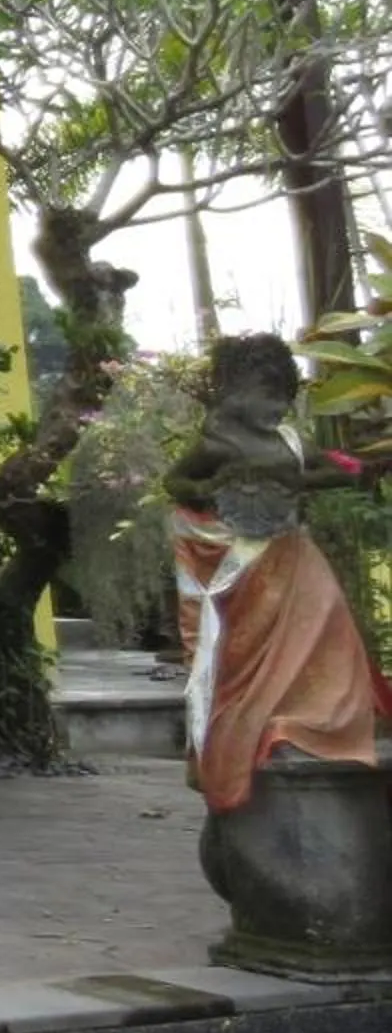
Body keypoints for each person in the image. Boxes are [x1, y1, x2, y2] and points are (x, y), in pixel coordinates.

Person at [164, 334, 389, 813]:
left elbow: (331, 468)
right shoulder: (217, 439)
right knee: (252, 651)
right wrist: (215, 486)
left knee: (328, 631)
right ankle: (264, 726)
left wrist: (337, 471)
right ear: (237, 388)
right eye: (267, 395)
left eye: (283, 397)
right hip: (244, 562)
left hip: (293, 552)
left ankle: (319, 723)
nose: (277, 406)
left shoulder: (289, 439)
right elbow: (177, 483)